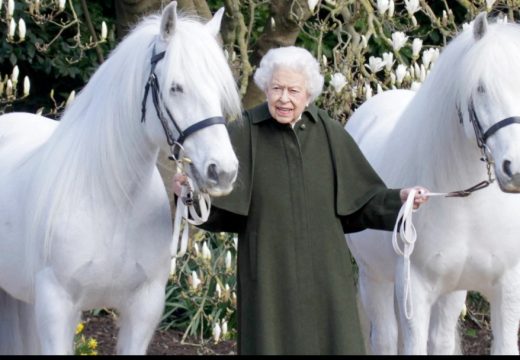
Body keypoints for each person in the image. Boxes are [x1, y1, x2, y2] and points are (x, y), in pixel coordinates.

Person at [172, 46, 429, 355]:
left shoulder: (328, 132)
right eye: (276, 88)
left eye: (293, 90)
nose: (284, 98)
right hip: (268, 275)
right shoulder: (242, 132)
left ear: (308, 95)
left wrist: (400, 199)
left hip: (326, 277)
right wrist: (189, 194)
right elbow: (218, 207)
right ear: (265, 88)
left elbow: (363, 200)